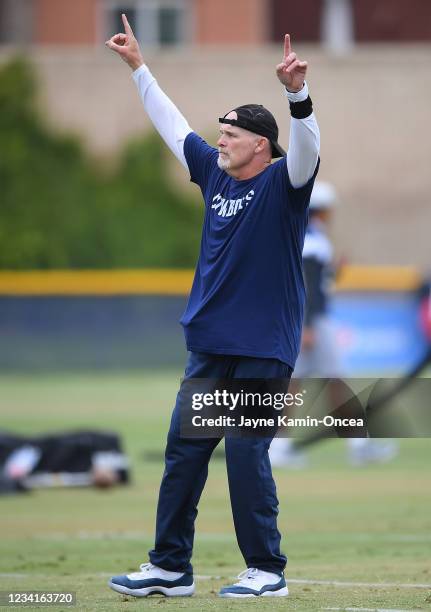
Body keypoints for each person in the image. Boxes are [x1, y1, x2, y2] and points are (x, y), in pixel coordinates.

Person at [105, 14, 320, 599]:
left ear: (260, 145)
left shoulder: (284, 184)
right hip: (210, 344)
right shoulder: (214, 178)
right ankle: (170, 566)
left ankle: (266, 571)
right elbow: (172, 126)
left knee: (247, 457)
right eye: (220, 131)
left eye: (231, 133)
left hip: (261, 348)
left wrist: (296, 94)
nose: (219, 138)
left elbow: (306, 149)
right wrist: (139, 68)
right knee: (184, 456)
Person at [269, 182, 398, 468]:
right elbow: (308, 286)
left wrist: (334, 272)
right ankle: (357, 445)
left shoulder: (308, 236)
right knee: (333, 380)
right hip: (313, 321)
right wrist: (307, 325)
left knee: (299, 383)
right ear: (323, 210)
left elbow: (314, 282)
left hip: (307, 320)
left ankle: (280, 447)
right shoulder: (313, 240)